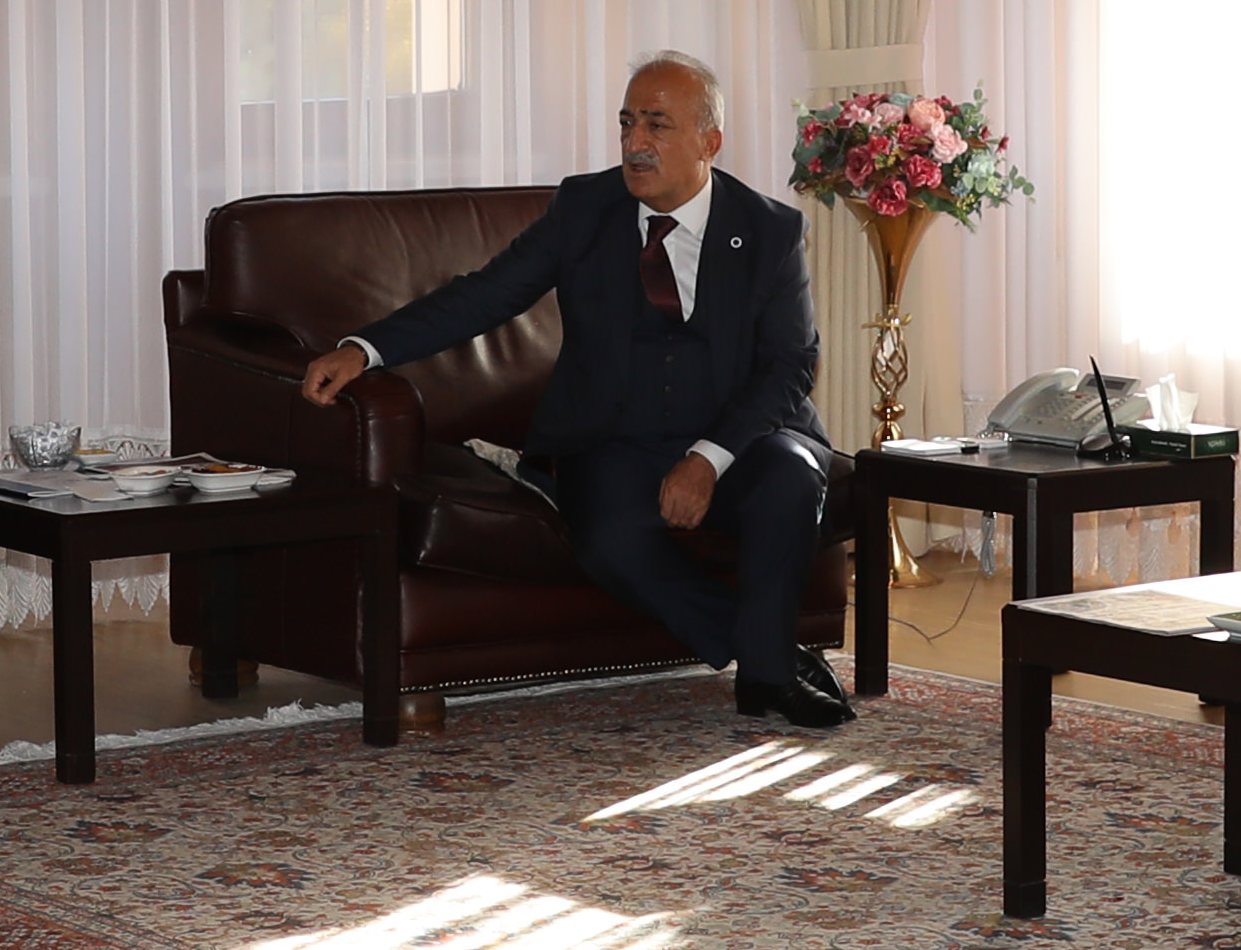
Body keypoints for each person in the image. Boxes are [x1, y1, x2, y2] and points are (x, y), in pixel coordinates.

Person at [298, 52, 847, 729]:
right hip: (615, 438)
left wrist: (708, 459)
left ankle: (767, 677)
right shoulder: (586, 208)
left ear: (711, 141)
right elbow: (485, 295)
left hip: (739, 438)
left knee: (793, 477)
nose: (635, 143)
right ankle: (770, 659)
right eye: (626, 123)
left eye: (657, 125)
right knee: (611, 541)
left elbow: (791, 365)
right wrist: (365, 349)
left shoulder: (769, 229)